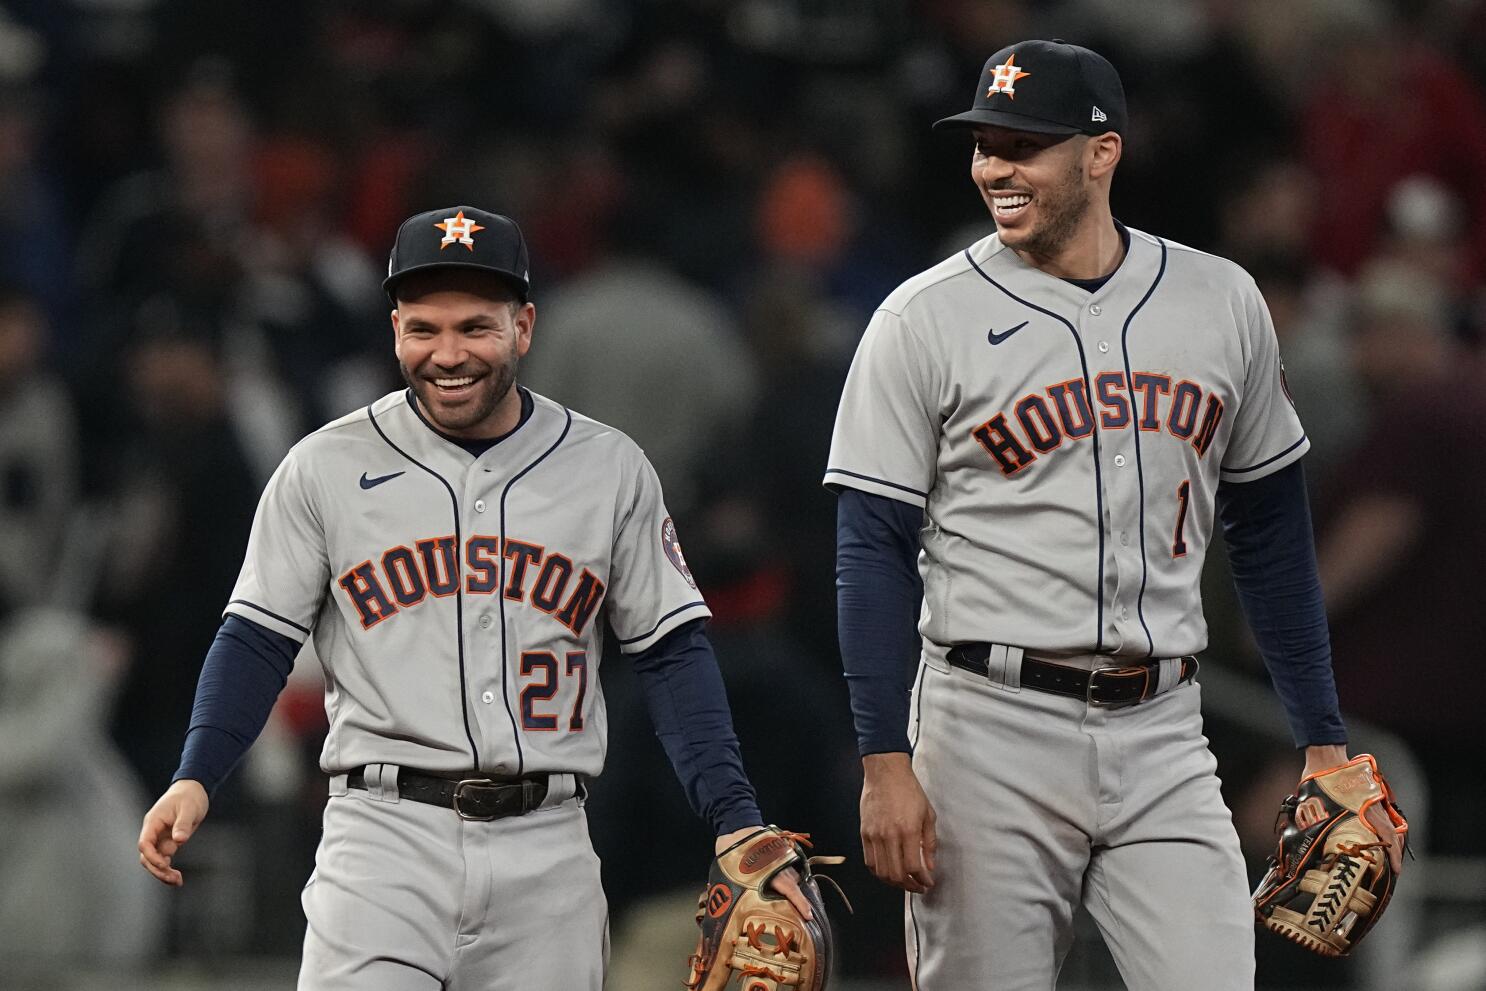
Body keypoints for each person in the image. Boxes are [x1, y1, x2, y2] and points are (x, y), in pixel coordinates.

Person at [823, 40, 1406, 989]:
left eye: (1025, 145)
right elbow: (870, 550)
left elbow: (1268, 531)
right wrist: (885, 760)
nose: (995, 168)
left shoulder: (1221, 301)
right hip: (984, 726)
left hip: (1165, 725)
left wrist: (1322, 738)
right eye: (983, 145)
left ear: (1102, 152)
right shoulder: (920, 319)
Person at [137, 205, 807, 988]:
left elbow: (671, 653)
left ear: (523, 327)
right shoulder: (323, 467)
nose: (447, 354)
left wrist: (733, 813)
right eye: (423, 328)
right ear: (394, 330)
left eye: (474, 328)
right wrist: (197, 771)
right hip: (382, 839)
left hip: (547, 848)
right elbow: (256, 638)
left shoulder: (608, 467)